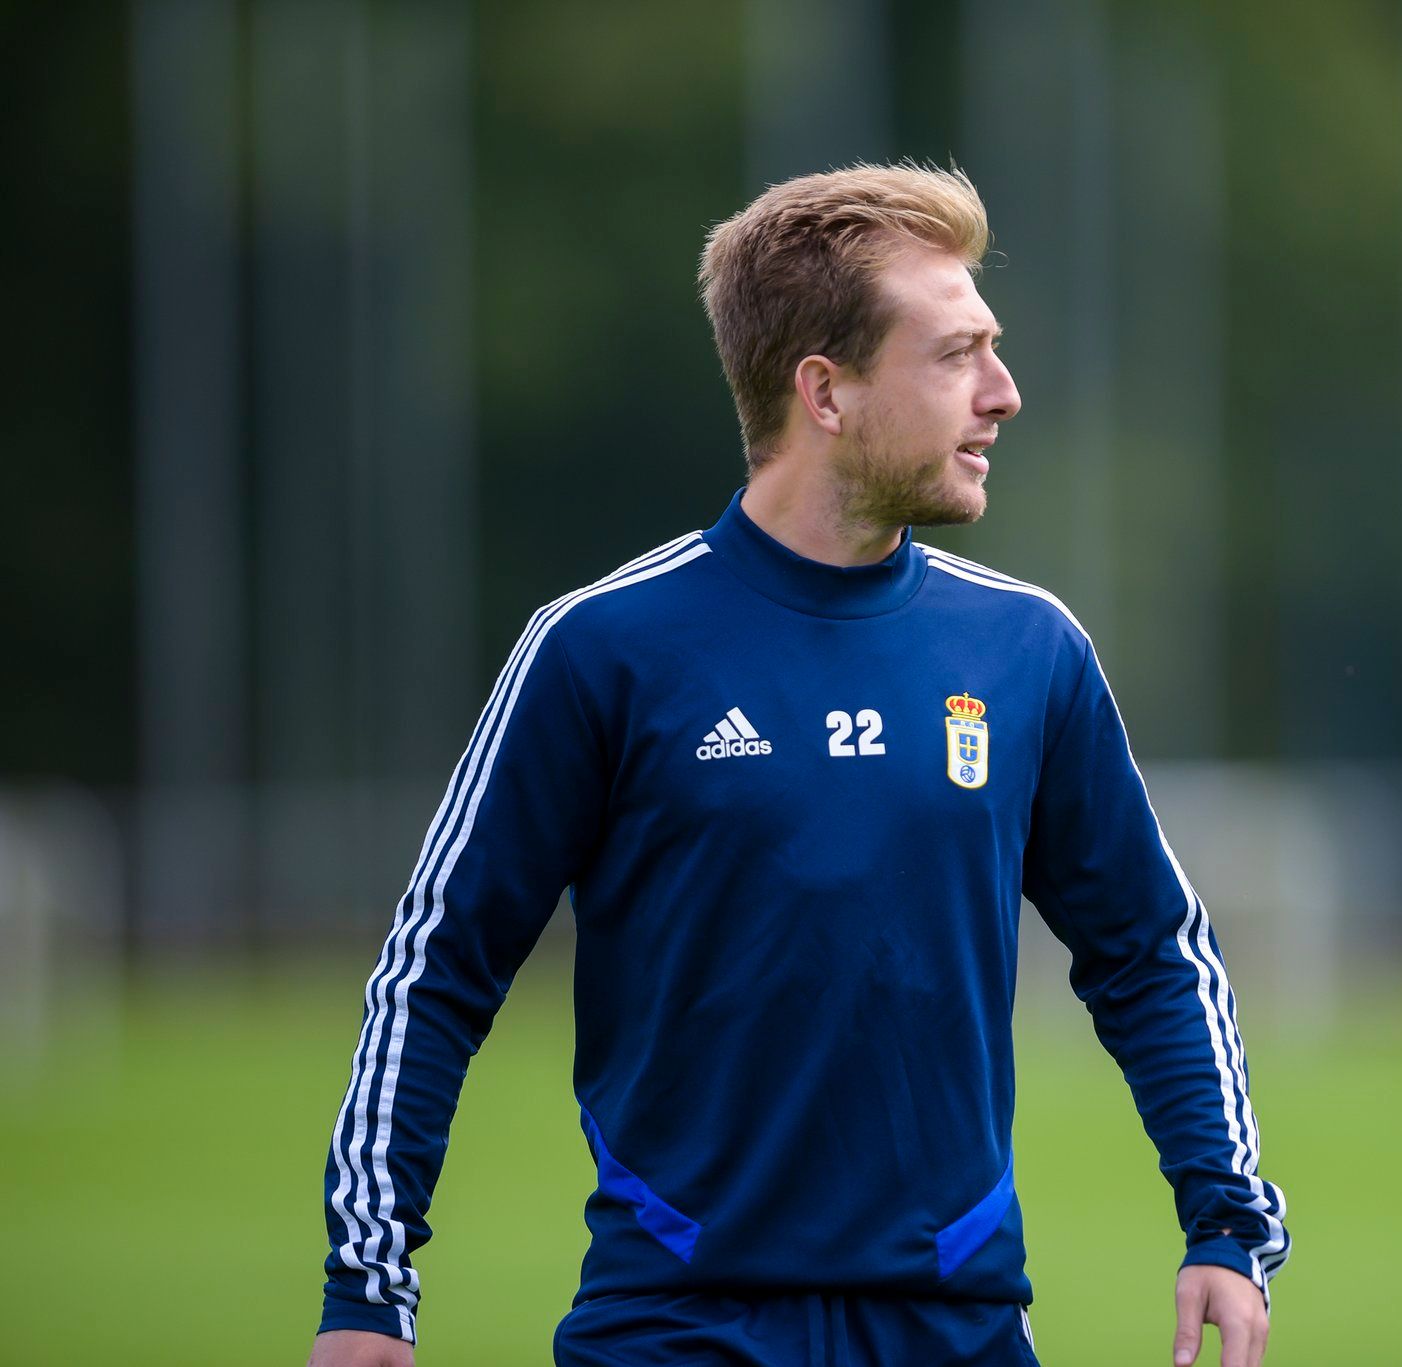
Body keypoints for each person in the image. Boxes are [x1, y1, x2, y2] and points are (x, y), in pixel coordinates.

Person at [308, 163, 1289, 1367]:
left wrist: (1225, 1220)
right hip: (672, 1326)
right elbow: (436, 969)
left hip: (957, 1325)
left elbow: (1151, 952)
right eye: (955, 354)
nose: (1004, 393)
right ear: (823, 391)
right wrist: (367, 1288)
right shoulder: (600, 649)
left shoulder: (1027, 649)